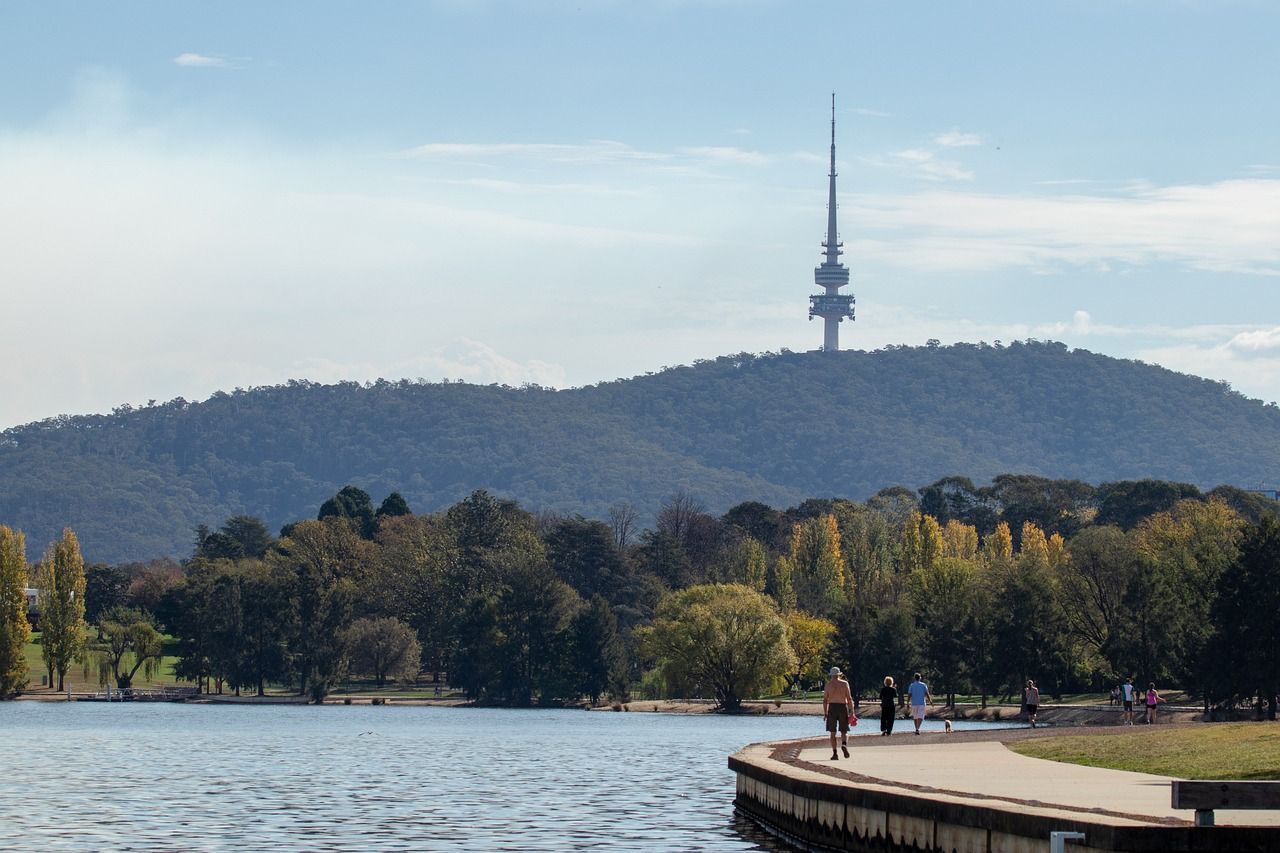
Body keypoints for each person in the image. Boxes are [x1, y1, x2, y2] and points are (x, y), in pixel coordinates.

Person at [822, 666, 856, 759]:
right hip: (842, 707)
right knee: (844, 730)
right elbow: (849, 698)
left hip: (832, 707)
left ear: (831, 675)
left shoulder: (828, 685)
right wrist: (852, 711)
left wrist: (825, 713)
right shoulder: (845, 684)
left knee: (832, 732)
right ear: (839, 674)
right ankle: (844, 744)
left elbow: (825, 700)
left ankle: (835, 753)